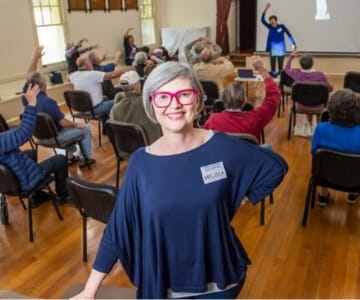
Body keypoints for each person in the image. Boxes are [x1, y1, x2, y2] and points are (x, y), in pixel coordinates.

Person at [73, 62, 288, 299]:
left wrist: (237, 196)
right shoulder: (141, 164)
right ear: (152, 104)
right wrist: (90, 291)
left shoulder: (222, 147)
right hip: (165, 286)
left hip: (219, 285)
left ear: (197, 100)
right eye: (163, 96)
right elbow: (118, 229)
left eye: (184, 94)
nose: (174, 104)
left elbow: (275, 167)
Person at [24, 47, 95, 168]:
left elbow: (29, 77)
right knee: (85, 128)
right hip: (55, 138)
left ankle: (70, 156)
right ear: (42, 85)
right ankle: (86, 158)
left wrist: (35, 57)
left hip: (39, 137)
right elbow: (63, 123)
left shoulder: (26, 97)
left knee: (68, 128)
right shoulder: (48, 101)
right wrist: (77, 124)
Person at [0, 84, 69, 207]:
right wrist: (31, 104)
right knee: (60, 159)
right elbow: (24, 133)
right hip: (22, 182)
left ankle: (37, 196)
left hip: (6, 181)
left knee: (30, 153)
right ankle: (62, 196)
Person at [204, 56, 281, 142]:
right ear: (244, 101)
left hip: (222, 154)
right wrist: (262, 70)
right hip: (248, 154)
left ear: (223, 100)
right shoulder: (254, 119)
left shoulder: (212, 120)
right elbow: (274, 98)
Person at [312, 89, 360, 206]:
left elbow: (314, 153)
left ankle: (323, 195)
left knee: (320, 159)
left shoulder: (321, 128)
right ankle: (353, 194)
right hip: (356, 179)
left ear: (330, 109)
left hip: (325, 176)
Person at [111, 70, 162, 158]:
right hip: (152, 149)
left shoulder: (115, 108)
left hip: (127, 150)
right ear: (137, 87)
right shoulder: (148, 103)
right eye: (139, 82)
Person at [69, 56, 133, 123]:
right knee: (122, 100)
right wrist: (128, 69)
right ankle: (118, 124)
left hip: (81, 109)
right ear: (87, 64)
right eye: (90, 62)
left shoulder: (74, 75)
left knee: (106, 97)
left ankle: (106, 125)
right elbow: (112, 75)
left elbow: (68, 77)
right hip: (94, 109)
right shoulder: (92, 74)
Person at [285, 50, 333, 130]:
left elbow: (286, 69)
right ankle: (319, 127)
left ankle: (309, 125)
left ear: (300, 64)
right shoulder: (320, 75)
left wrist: (292, 56)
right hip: (318, 106)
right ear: (312, 63)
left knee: (308, 97)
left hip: (301, 106)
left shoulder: (297, 73)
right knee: (316, 99)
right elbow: (330, 89)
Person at [261, 2, 296, 77]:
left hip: (280, 48)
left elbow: (289, 35)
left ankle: (281, 79)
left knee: (280, 65)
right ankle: (273, 78)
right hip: (273, 48)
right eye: (270, 20)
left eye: (272, 19)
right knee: (273, 65)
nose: (271, 21)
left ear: (276, 20)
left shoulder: (282, 26)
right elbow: (262, 20)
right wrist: (265, 9)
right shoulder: (269, 27)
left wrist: (294, 45)